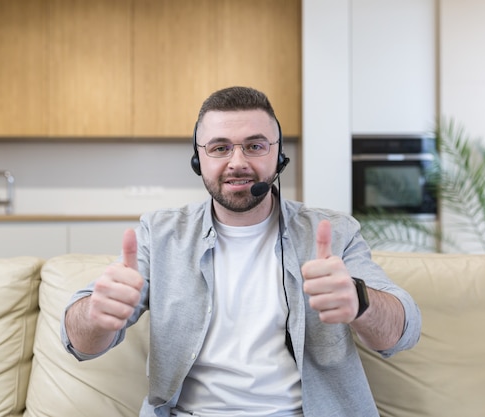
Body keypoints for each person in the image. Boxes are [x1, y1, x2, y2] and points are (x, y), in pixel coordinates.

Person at [61, 86, 421, 417]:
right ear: (197, 160)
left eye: (255, 145)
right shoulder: (161, 234)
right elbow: (78, 343)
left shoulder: (333, 232)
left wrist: (359, 301)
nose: (237, 162)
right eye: (220, 148)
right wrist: (96, 314)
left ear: (278, 155)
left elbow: (400, 334)